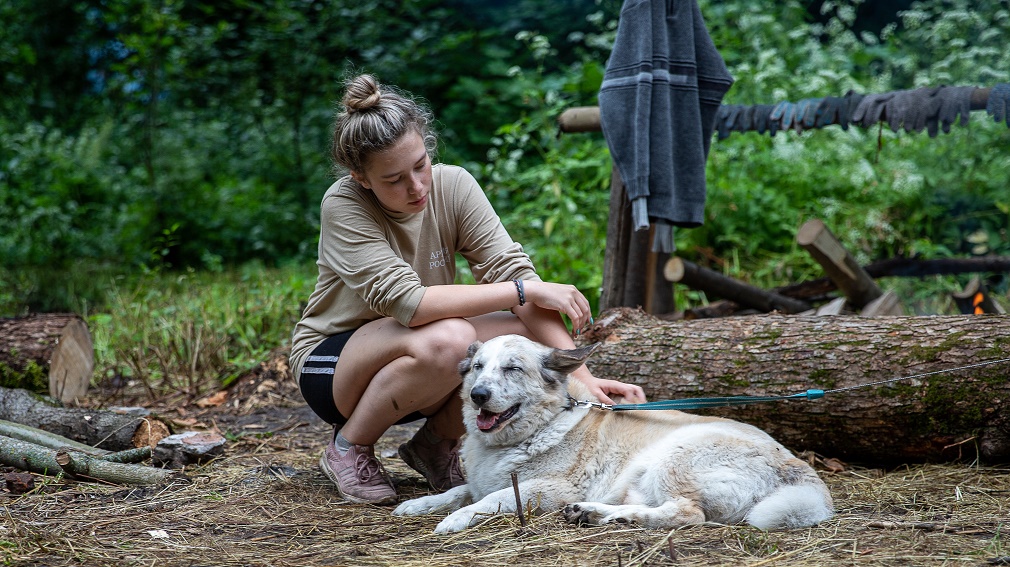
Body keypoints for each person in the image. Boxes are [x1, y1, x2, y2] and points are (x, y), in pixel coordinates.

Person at [289, 74, 646, 505]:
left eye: (420, 166)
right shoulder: (342, 204)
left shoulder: (454, 184)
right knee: (456, 338)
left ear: (429, 146)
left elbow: (512, 274)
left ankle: (434, 446)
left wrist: (584, 382)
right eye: (394, 179)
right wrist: (522, 292)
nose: (416, 187)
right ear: (361, 177)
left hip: (422, 356)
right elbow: (411, 303)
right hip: (333, 364)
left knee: (517, 341)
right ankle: (348, 447)